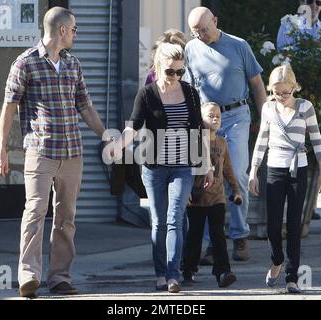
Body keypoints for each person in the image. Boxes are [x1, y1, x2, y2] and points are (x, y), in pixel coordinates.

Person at [0, 7, 106, 298]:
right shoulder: (25, 63)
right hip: (40, 151)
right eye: (75, 29)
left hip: (72, 152)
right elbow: (9, 108)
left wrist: (106, 135)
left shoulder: (73, 64)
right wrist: (0, 149)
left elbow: (86, 107)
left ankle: (60, 278)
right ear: (62, 31)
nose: (77, 34)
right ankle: (28, 277)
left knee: (66, 218)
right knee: (34, 212)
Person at [105, 42, 213, 293]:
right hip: (154, 167)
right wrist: (119, 145)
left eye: (180, 71)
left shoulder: (190, 92)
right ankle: (160, 273)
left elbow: (199, 131)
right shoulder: (147, 94)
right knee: (159, 222)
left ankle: (173, 274)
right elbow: (134, 126)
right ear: (158, 67)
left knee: (175, 217)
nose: (175, 77)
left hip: (182, 166)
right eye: (170, 72)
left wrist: (207, 165)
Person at [184, 7, 267, 261]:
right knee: (208, 178)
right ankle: (212, 242)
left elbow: (257, 84)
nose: (201, 35)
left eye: (204, 29)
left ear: (215, 22)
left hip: (236, 116)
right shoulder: (191, 49)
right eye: (195, 31)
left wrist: (267, 121)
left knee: (238, 174)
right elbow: (189, 88)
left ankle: (240, 235)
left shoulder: (239, 46)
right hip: (208, 119)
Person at [249, 65, 321, 293]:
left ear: (294, 87)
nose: (282, 97)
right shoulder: (268, 108)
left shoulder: (306, 107)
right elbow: (261, 141)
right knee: (272, 225)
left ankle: (292, 277)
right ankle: (277, 260)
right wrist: (254, 171)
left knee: (294, 225)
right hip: (274, 168)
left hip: (299, 170)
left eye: (286, 92)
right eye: (276, 92)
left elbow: (316, 140)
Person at [277, 0, 321, 219]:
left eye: (319, 1)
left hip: (318, 97)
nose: (315, 5)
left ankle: (312, 204)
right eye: (310, 1)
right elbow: (282, 58)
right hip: (292, 96)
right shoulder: (290, 25)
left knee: (316, 143)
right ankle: (290, 203)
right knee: (291, 142)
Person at [182, 102, 241, 288]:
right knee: (194, 236)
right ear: (201, 119)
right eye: (210, 115)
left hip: (217, 198)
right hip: (196, 198)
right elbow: (185, 169)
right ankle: (188, 270)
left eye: (218, 116)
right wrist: (185, 192)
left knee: (218, 236)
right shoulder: (194, 141)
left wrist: (236, 191)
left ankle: (223, 272)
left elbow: (229, 170)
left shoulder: (222, 143)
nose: (215, 119)